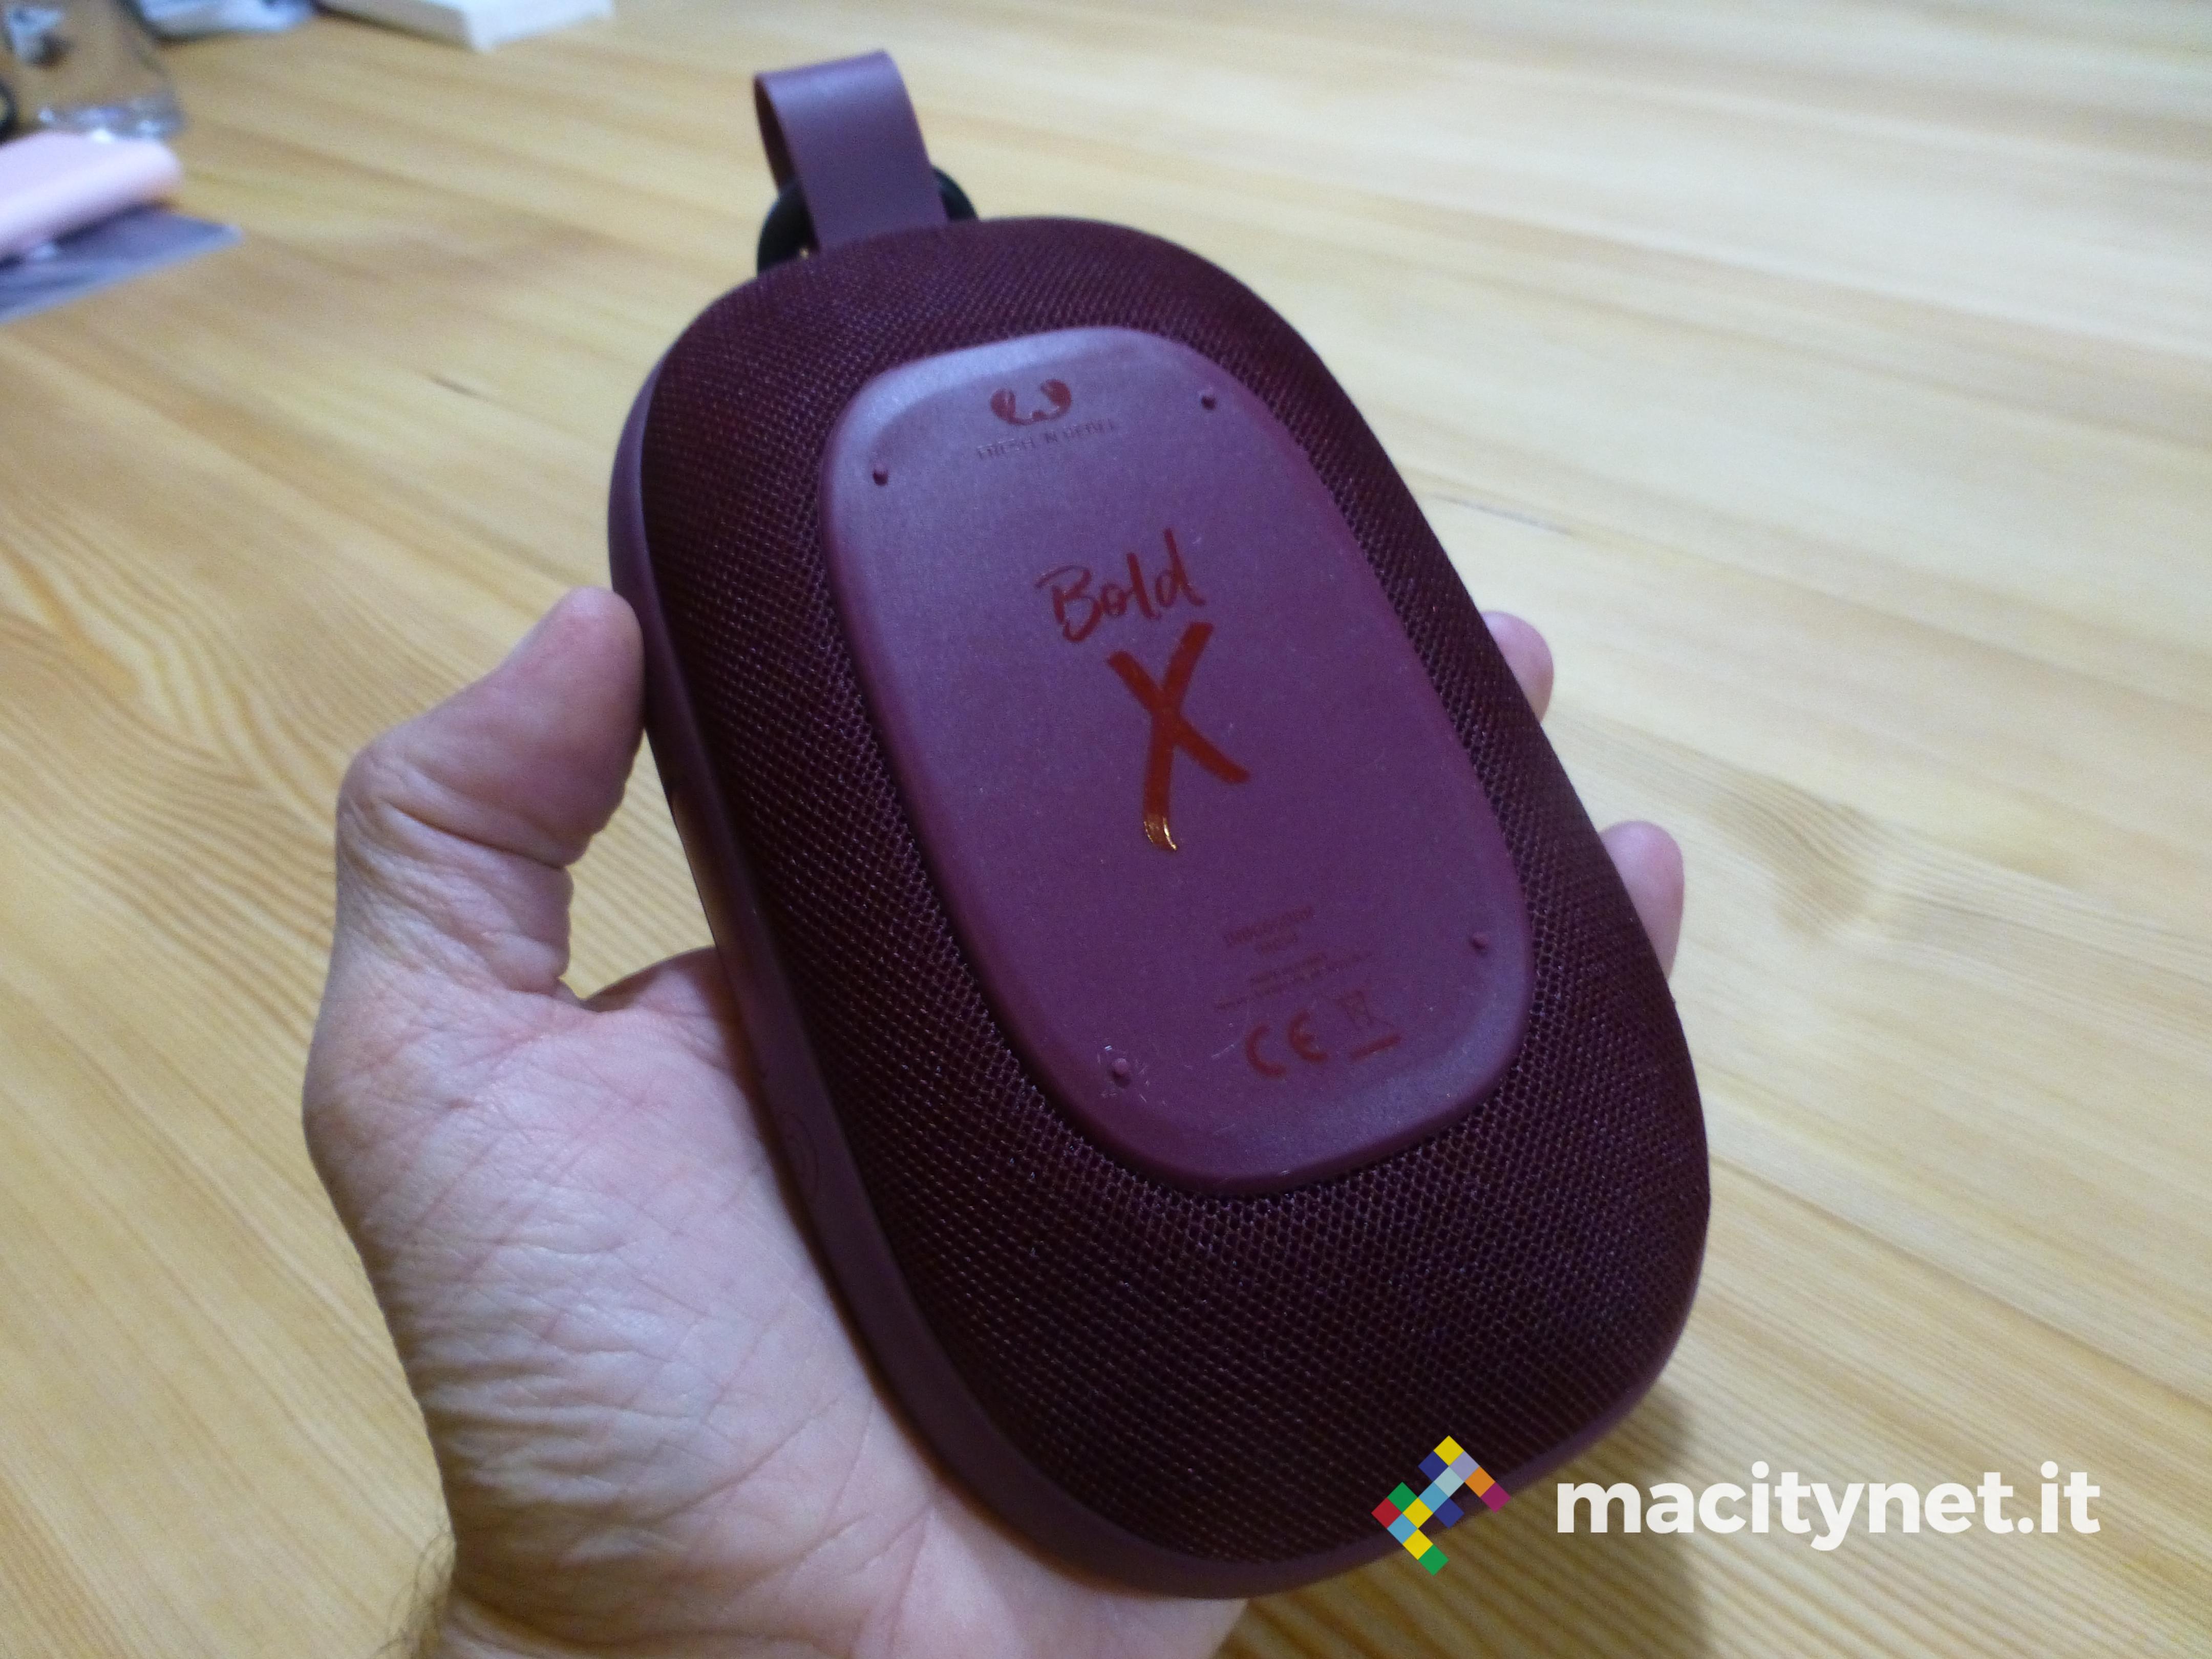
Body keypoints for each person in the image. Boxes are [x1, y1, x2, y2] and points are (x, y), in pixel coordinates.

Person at [305, 589, 1685, 1659]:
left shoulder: (1565, 1322)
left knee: (1426, 1484)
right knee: (1409, 1480)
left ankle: (1382, 1520)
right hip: (1153, 1455)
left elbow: (1419, 1472)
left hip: (1403, 1403)